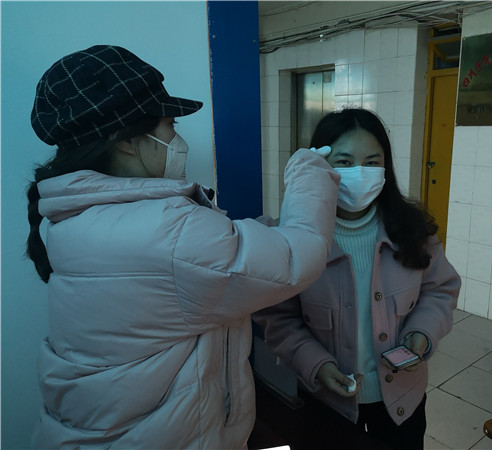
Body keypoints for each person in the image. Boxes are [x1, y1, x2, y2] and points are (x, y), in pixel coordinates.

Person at [25, 45, 340, 449]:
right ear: (126, 141)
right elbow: (299, 257)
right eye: (170, 124)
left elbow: (200, 264)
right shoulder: (167, 230)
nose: (177, 137)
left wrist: (260, 233)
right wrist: (309, 172)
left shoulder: (78, 216)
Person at [253, 108, 461, 449]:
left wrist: (422, 334)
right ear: (321, 165)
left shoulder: (413, 231)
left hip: (401, 401)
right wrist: (315, 364)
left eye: (371, 162)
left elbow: (439, 290)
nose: (359, 173)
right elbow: (279, 318)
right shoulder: (293, 240)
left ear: (385, 167)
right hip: (325, 403)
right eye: (344, 162)